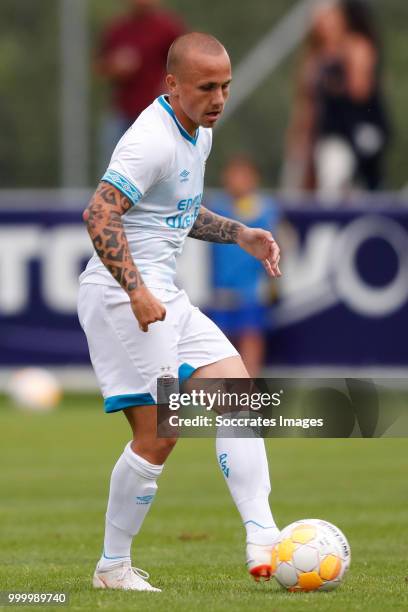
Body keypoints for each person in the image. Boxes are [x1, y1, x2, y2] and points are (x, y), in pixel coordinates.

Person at [78, 32, 281, 592]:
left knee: (239, 393)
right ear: (172, 84)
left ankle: (264, 536)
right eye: (206, 87)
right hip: (124, 295)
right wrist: (140, 291)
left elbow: (178, 209)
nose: (219, 98)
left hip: (163, 294)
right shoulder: (150, 140)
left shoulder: (198, 133)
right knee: (160, 433)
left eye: (225, 86)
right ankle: (112, 567)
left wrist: (239, 233)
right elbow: (99, 214)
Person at [283, 0, 390, 199]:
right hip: (323, 134)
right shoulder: (313, 58)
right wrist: (299, 137)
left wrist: (337, 73)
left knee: (348, 182)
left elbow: (360, 92)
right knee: (310, 185)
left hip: (352, 131)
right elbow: (306, 104)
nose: (323, 23)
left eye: (329, 16)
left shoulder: (355, 46)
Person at [207, 156, 280, 377]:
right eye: (233, 174)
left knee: (251, 340)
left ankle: (248, 397)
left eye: (243, 175)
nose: (237, 180)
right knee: (217, 346)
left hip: (251, 291)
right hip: (220, 290)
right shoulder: (214, 208)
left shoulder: (266, 209)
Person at [96, 0, 185, 161]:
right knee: (114, 172)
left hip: (158, 115)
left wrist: (169, 87)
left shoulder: (167, 28)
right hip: (122, 113)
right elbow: (100, 66)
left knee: (160, 171)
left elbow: (184, 63)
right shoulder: (118, 29)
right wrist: (115, 66)